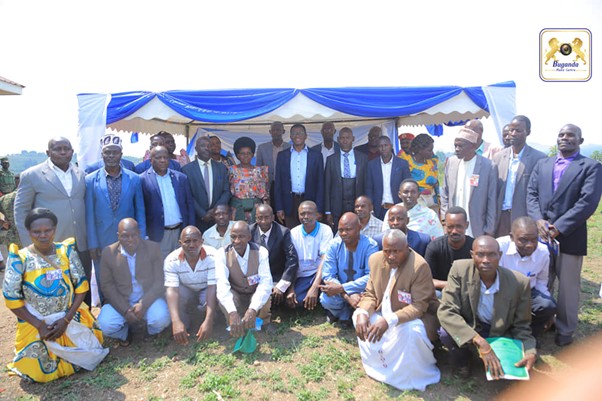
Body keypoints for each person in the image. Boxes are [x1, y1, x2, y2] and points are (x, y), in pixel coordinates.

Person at [3, 208, 107, 382]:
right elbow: (12, 299)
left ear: (55, 229)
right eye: (37, 231)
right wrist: (40, 326)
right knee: (38, 373)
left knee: (91, 353)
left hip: (70, 318)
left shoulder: (66, 251)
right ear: (29, 232)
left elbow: (81, 287)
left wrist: (65, 320)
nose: (43, 235)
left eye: (47, 230)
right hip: (37, 325)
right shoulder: (19, 259)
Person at [527, 123, 602, 346]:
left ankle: (565, 330)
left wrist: (559, 226)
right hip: (541, 234)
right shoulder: (543, 164)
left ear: (580, 140)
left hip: (570, 235)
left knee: (568, 287)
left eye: (571, 135)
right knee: (541, 282)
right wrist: (538, 220)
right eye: (561, 134)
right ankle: (541, 324)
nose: (565, 138)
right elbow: (531, 194)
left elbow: (587, 203)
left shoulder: (591, 166)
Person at [438, 236, 537, 379]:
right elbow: (446, 311)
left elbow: (522, 325)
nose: (486, 260)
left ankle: (497, 360)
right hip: (471, 327)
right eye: (480, 254)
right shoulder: (459, 269)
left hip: (500, 333)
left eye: (491, 254)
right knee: (445, 332)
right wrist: (478, 340)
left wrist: (529, 350)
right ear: (472, 255)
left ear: (500, 255)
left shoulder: (519, 283)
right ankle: (463, 362)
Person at [353, 229, 440, 391]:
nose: (391, 256)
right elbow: (370, 294)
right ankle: (379, 364)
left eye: (397, 251)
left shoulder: (419, 266)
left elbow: (419, 306)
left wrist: (389, 320)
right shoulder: (375, 260)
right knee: (358, 316)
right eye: (387, 251)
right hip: (383, 311)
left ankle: (410, 376)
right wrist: (364, 312)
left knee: (410, 330)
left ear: (407, 248)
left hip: (414, 318)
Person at [14, 137, 93, 306]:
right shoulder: (32, 175)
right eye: (58, 149)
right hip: (50, 247)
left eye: (67, 149)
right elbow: (21, 212)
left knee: (82, 287)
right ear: (48, 152)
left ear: (72, 152)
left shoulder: (81, 175)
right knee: (55, 290)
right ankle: (57, 328)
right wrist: (32, 246)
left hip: (81, 245)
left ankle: (86, 327)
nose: (63, 152)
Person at [97, 218, 171, 345]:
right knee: (105, 325)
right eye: (125, 236)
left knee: (162, 319)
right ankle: (125, 334)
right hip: (122, 301)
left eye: (134, 235)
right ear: (118, 236)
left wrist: (143, 304)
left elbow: (160, 281)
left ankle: (150, 331)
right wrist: (125, 310)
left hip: (147, 299)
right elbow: (107, 286)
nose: (130, 240)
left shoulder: (152, 248)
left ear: (139, 233)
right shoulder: (108, 253)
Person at [85, 134, 147, 267]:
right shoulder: (90, 180)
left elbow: (140, 212)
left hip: (129, 239)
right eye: (107, 152)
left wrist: (141, 239)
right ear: (102, 154)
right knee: (104, 281)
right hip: (102, 240)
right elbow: (89, 215)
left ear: (121, 154)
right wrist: (92, 243)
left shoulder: (134, 179)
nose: (111, 156)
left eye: (115, 152)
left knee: (128, 279)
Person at [497, 217, 557, 338]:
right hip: (501, 293)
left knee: (548, 305)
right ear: (512, 237)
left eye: (534, 240)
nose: (530, 245)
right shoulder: (498, 247)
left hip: (528, 292)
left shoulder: (543, 252)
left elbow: (541, 281)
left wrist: (549, 311)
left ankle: (530, 335)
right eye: (523, 240)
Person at [215, 221, 273, 337]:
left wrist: (252, 309)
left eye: (241, 237)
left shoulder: (261, 252)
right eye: (233, 237)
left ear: (249, 237)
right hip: (236, 293)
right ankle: (233, 324)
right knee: (223, 296)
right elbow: (222, 285)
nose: (236, 241)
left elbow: (265, 283)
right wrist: (232, 312)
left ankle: (263, 322)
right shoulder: (221, 254)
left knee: (265, 295)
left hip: (254, 292)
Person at [320, 213, 378, 324]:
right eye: (341, 230)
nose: (344, 233)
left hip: (362, 292)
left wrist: (343, 288)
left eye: (348, 229)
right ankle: (344, 312)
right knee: (325, 299)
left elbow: (371, 277)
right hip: (340, 292)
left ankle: (347, 314)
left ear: (359, 228)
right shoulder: (334, 245)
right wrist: (347, 295)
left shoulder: (370, 246)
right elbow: (328, 275)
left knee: (370, 299)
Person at [493, 115, 546, 237]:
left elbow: (540, 194)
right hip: (501, 217)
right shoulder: (498, 157)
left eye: (518, 130)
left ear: (528, 132)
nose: (513, 133)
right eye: (511, 130)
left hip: (524, 219)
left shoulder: (539, 159)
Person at [164, 226, 218, 344]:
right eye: (187, 241)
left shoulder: (213, 256)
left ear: (202, 241)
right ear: (180, 243)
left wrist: (208, 320)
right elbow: (171, 290)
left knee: (207, 300)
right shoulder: (171, 260)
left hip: (205, 289)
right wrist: (176, 321)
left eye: (195, 241)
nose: (192, 245)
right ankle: (183, 328)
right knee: (177, 296)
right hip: (186, 289)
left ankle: (209, 323)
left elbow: (212, 287)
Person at [140, 146, 195, 258]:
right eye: (158, 157)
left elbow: (189, 205)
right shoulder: (142, 179)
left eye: (165, 157)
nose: (162, 160)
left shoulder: (181, 178)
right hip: (158, 234)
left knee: (181, 265)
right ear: (150, 160)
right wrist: (144, 235)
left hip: (180, 232)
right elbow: (141, 209)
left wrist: (191, 229)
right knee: (161, 269)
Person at [441, 128, 497, 237]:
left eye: (460, 146)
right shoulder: (451, 162)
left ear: (473, 147)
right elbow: (445, 192)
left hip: (476, 225)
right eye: (455, 145)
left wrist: (489, 228)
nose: (457, 149)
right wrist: (444, 218)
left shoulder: (488, 166)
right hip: (453, 225)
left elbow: (492, 200)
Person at [274, 123, 324, 228]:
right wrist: (279, 208)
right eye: (294, 133)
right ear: (290, 136)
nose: (297, 135)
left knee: (309, 232)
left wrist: (319, 208)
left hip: (309, 200)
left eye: (300, 132)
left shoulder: (316, 156)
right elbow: (278, 183)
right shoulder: (282, 156)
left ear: (306, 136)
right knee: (292, 235)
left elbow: (320, 184)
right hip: (290, 202)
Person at [250, 204, 299, 307]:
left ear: (273, 217)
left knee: (274, 295)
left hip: (276, 277)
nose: (263, 221)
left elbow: (292, 259)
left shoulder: (283, 232)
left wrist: (282, 285)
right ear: (256, 218)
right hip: (256, 277)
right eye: (260, 218)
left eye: (267, 217)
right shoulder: (249, 231)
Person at [288, 201, 334, 309]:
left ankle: (318, 297)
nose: (305, 217)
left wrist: (314, 287)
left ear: (317, 215)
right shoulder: (293, 233)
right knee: (296, 302)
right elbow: (292, 262)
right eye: (302, 214)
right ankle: (314, 299)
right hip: (303, 275)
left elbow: (325, 260)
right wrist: (291, 287)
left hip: (320, 273)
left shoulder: (325, 230)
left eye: (309, 213)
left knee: (330, 295)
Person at [182, 135, 231, 233]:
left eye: (209, 146)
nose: (207, 148)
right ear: (196, 149)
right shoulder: (187, 170)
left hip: (217, 219)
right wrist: (202, 214)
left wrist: (214, 211)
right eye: (202, 146)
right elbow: (188, 195)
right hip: (197, 219)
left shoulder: (221, 168)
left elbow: (226, 192)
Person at [324, 127, 368, 229]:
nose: (345, 141)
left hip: (357, 205)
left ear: (353, 139)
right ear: (338, 139)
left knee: (357, 232)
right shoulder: (331, 159)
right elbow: (327, 186)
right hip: (336, 207)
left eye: (347, 138)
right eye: (342, 138)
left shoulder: (363, 158)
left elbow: (366, 184)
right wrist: (327, 211)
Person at [424, 207, 474, 295]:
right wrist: (451, 285)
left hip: (469, 291)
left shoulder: (474, 247)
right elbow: (426, 280)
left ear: (466, 225)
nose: (454, 231)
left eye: (459, 226)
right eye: (450, 227)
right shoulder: (434, 247)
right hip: (442, 291)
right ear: (444, 225)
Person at [365, 136, 411, 219]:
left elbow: (407, 186)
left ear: (391, 146)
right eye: (380, 146)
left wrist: (406, 206)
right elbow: (369, 188)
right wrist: (370, 208)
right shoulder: (371, 165)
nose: (383, 148)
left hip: (398, 208)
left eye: (386, 145)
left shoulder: (402, 164)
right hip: (379, 210)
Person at [228, 136, 270, 223]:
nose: (246, 156)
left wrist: (267, 211)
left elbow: (265, 195)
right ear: (237, 155)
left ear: (253, 154)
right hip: (237, 209)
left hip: (256, 210)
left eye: (249, 153)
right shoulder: (231, 170)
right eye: (242, 153)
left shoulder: (260, 171)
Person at [397, 134, 440, 209]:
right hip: (416, 202)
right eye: (429, 150)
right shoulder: (407, 162)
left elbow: (436, 183)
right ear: (420, 150)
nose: (432, 152)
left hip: (433, 201)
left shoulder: (432, 162)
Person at [255, 121, 290, 210]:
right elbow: (258, 169)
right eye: (273, 130)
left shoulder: (290, 148)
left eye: (278, 130)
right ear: (270, 132)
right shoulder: (262, 148)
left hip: (286, 185)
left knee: (285, 210)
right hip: (269, 186)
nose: (276, 132)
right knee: (270, 211)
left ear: (283, 131)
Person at [0, 174, 21, 249]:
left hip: (12, 238)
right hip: (31, 238)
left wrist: (3, 223)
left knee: (14, 259)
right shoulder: (33, 197)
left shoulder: (5, 198)